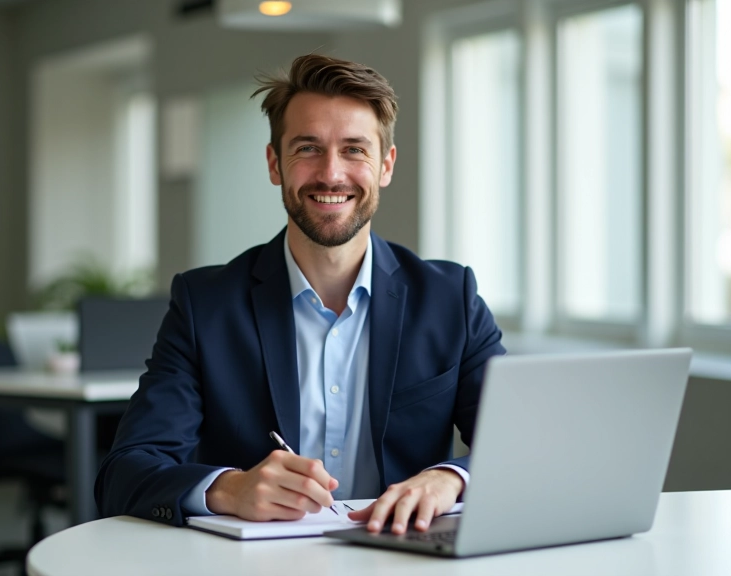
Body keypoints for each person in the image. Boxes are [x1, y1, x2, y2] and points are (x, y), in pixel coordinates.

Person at [95, 53, 505, 535]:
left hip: (404, 560)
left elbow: (521, 447)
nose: (331, 174)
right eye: (308, 148)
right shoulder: (205, 305)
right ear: (275, 164)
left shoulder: (449, 298)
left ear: (386, 166)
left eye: (355, 149)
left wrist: (450, 477)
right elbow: (125, 472)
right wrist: (229, 488)